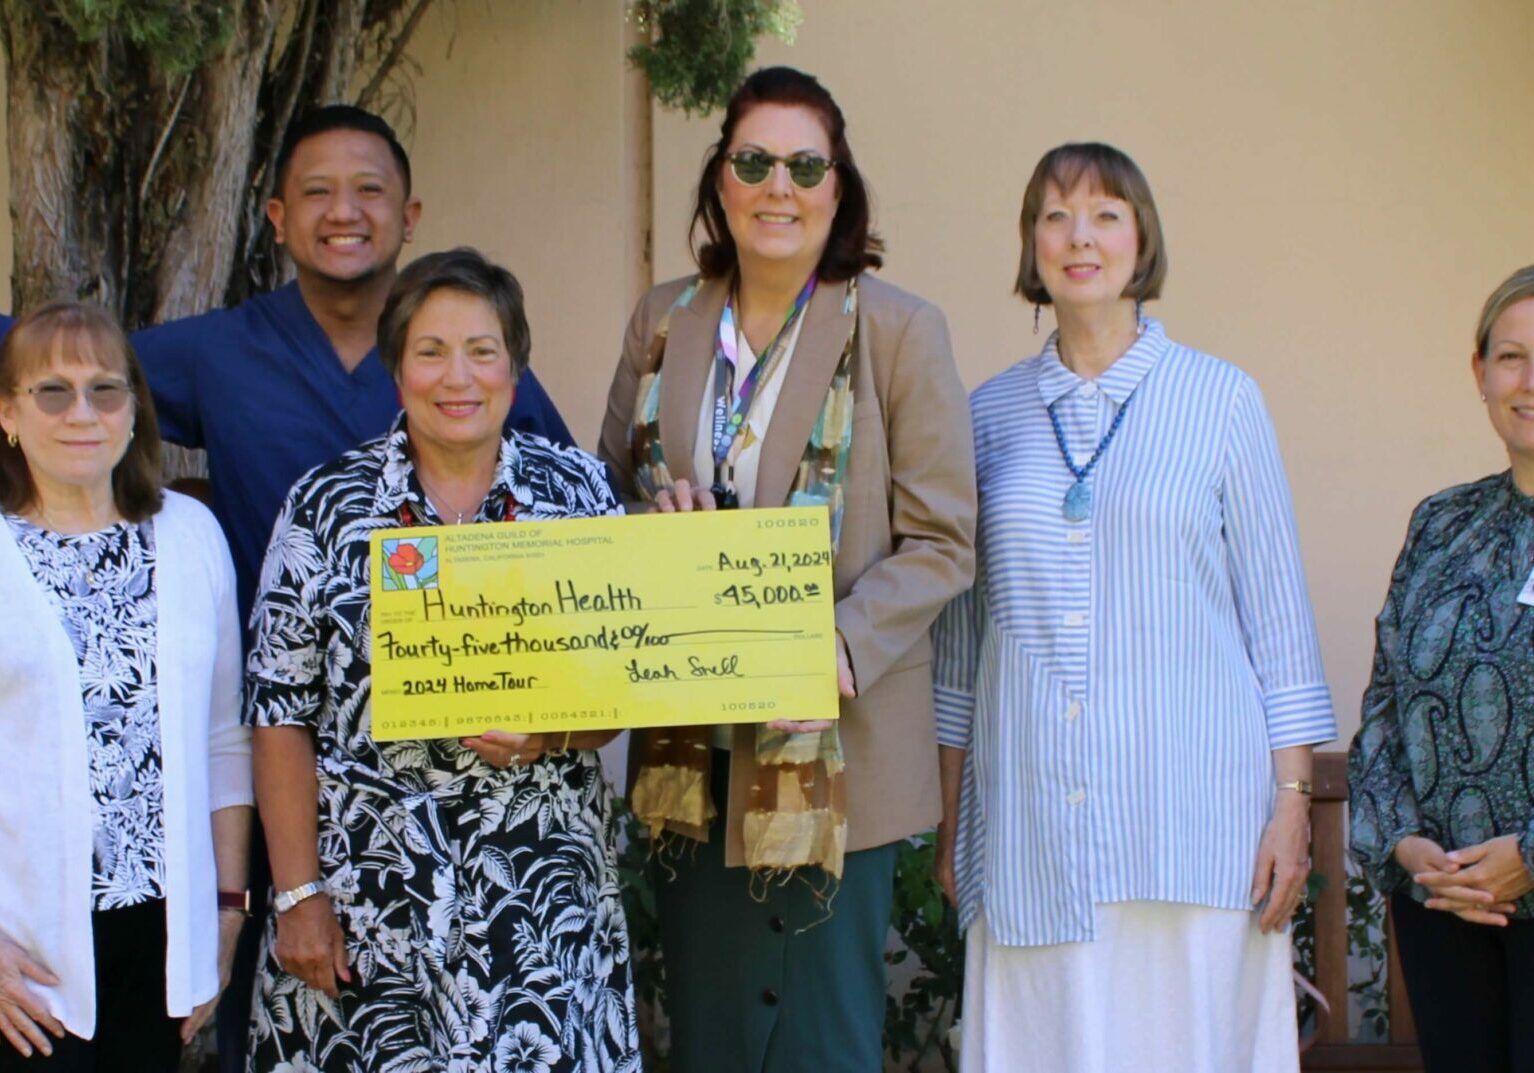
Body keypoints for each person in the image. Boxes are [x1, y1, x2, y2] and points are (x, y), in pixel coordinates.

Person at [131, 105, 577, 1069]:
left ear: (410, 213)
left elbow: (589, 587)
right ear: (276, 216)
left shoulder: (493, 391)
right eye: (319, 192)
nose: (345, 211)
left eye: (369, 189)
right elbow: (67, 380)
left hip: (503, 817)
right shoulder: (218, 354)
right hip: (299, 783)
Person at [599, 66, 976, 1073]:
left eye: (805, 163)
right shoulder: (663, 320)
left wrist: (837, 646)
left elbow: (944, 536)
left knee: (821, 1039)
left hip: (835, 749)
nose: (779, 184)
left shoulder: (897, 328)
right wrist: (652, 523)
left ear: (838, 187)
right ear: (720, 183)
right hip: (695, 748)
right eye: (753, 160)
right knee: (713, 1035)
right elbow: (604, 501)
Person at [932, 142, 1336, 1073]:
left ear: (1142, 238)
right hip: (1035, 829)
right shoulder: (986, 417)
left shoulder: (1223, 401)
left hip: (1200, 825)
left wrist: (1290, 808)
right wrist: (957, 823)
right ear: (1031, 246)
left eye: (1106, 214)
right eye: (1056, 216)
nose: (1081, 237)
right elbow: (960, 647)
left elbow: (1279, 625)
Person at [245, 248, 638, 1072]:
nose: (457, 376)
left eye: (482, 350)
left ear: (516, 367)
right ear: (397, 370)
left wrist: (549, 735)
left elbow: (620, 691)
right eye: (430, 351)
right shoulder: (326, 508)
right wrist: (298, 895)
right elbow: (279, 710)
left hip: (542, 903)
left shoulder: (580, 497)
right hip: (367, 908)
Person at [0, 302, 252, 1070]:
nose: (83, 412)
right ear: (7, 413)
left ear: (134, 409)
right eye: (53, 391)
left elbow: (224, 737)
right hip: (25, 955)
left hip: (161, 941)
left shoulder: (189, 534)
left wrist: (227, 910)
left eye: (106, 389)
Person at [1347, 264, 1534, 1073]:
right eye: (1512, 356)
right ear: (1480, 373)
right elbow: (1386, 699)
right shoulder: (1442, 521)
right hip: (1444, 906)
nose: (1528, 380)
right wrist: (1404, 844)